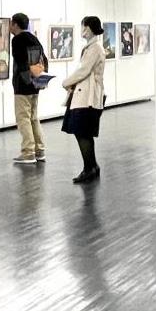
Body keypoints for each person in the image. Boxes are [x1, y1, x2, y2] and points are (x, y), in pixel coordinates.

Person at [59, 15, 107, 184]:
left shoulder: (95, 48)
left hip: (88, 98)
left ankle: (89, 168)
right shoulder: (92, 47)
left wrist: (66, 82)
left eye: (83, 26)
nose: (82, 30)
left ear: (89, 28)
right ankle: (91, 167)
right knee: (83, 132)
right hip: (83, 96)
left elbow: (84, 71)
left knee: (82, 133)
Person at [9, 13, 47, 165]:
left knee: (23, 118)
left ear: (15, 24)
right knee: (33, 117)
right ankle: (40, 150)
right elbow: (44, 59)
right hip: (35, 84)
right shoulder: (34, 38)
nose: (10, 27)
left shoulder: (17, 40)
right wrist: (38, 79)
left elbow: (20, 62)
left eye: (11, 24)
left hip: (23, 85)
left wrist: (26, 79)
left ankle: (28, 152)